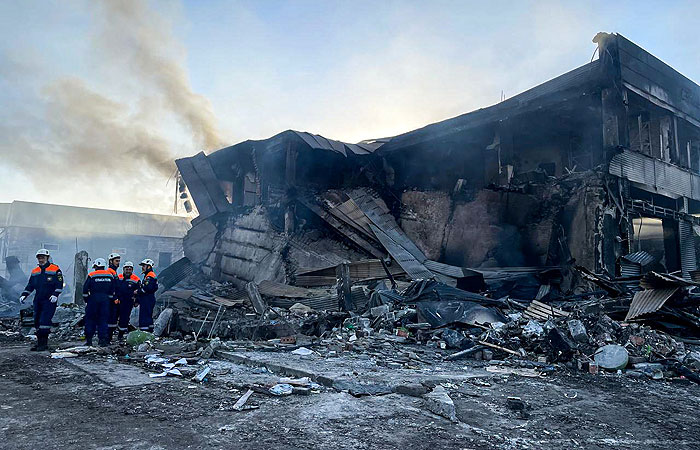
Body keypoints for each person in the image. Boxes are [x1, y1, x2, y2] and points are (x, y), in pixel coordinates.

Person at [19, 249, 63, 351]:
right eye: (39, 258)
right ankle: (39, 343)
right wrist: (24, 295)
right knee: (37, 321)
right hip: (38, 299)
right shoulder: (35, 271)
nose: (41, 259)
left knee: (45, 321)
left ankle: (44, 344)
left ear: (47, 258)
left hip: (49, 299)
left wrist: (55, 294)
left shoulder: (55, 269)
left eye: (42, 257)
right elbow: (30, 285)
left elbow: (59, 284)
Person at [82, 258, 115, 347]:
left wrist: (87, 300)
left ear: (96, 266)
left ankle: (89, 340)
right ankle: (102, 340)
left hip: (93, 300)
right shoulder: (110, 275)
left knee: (90, 319)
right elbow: (113, 290)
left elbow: (85, 290)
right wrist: (110, 300)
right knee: (103, 320)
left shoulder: (92, 275)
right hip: (105, 301)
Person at [115, 261, 140, 341]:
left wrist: (137, 301)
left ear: (132, 270)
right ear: (123, 269)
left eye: (130, 269)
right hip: (117, 302)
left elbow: (139, 291)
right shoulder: (118, 277)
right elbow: (114, 288)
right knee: (113, 318)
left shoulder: (136, 279)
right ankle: (110, 334)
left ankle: (120, 335)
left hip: (128, 302)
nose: (128, 271)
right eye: (127, 269)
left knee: (124, 319)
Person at [137, 258, 158, 333]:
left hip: (147, 299)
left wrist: (138, 291)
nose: (142, 267)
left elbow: (147, 288)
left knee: (144, 316)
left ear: (149, 267)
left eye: (144, 266)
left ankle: (144, 332)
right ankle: (149, 331)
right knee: (148, 316)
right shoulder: (148, 275)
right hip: (148, 298)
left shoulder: (149, 276)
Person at [106, 253, 121, 341]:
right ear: (111, 261)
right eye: (116, 261)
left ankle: (109, 337)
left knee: (113, 319)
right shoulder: (109, 272)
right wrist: (114, 297)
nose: (118, 263)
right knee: (110, 319)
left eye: (119, 261)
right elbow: (110, 287)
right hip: (111, 301)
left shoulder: (114, 272)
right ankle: (107, 337)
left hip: (114, 300)